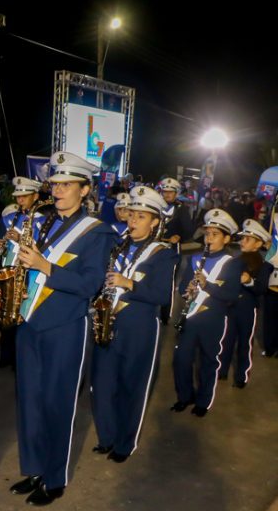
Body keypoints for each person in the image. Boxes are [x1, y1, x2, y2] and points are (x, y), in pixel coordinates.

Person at [10, 152, 115, 506]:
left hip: (65, 327)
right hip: (30, 324)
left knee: (58, 405)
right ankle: (36, 469)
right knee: (30, 403)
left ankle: (55, 479)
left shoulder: (97, 232)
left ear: (85, 190)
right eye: (55, 183)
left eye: (67, 184)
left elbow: (90, 284)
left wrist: (45, 266)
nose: (57, 190)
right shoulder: (43, 223)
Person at [90, 187, 178, 463]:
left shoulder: (162, 253)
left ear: (155, 221)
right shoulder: (119, 245)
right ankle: (107, 437)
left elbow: (162, 295)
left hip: (139, 328)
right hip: (108, 322)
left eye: (141, 216)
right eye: (131, 215)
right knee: (101, 386)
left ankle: (124, 445)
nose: (133, 221)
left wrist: (130, 284)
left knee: (132, 386)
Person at [171, 208, 243, 417]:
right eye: (207, 234)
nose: (209, 239)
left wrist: (207, 285)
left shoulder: (232, 263)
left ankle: (203, 401)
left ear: (227, 238)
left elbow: (230, 295)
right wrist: (188, 292)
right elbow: (184, 287)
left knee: (209, 361)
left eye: (215, 234)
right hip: (190, 318)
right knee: (181, 359)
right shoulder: (194, 258)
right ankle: (185, 396)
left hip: (214, 320)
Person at [0, 176, 46, 370]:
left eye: (25, 196)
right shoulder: (10, 217)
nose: (20, 200)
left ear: (35, 196)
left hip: (27, 273)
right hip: (9, 269)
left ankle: (20, 359)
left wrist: (21, 237)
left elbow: (44, 249)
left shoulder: (43, 221)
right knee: (5, 313)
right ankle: (5, 355)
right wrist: (0, 245)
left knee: (22, 314)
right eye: (18, 196)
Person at [218, 219, 273, 388]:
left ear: (257, 244)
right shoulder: (233, 262)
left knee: (244, 343)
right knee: (226, 341)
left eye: (247, 239)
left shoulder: (264, 266)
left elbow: (261, 289)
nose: (242, 242)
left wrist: (249, 281)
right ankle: (222, 371)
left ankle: (241, 376)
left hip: (248, 310)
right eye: (242, 238)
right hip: (230, 307)